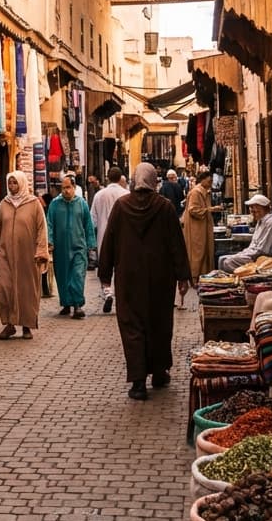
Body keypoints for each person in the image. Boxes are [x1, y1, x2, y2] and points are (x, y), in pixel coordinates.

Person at [97, 163, 191, 400]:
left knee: (133, 327)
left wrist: (105, 274)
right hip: (160, 278)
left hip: (129, 279)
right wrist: (183, 276)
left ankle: (138, 382)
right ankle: (159, 372)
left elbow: (109, 240)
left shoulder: (121, 207)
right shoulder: (165, 208)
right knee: (159, 325)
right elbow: (176, 244)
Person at [0, 171, 49, 340]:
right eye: (10, 183)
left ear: (21, 184)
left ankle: (27, 325)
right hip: (6, 254)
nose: (12, 187)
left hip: (28, 256)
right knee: (5, 289)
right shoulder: (3, 204)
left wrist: (41, 251)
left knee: (26, 290)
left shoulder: (34, 204)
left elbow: (41, 228)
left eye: (15, 183)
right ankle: (9, 324)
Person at [47, 174, 96, 318]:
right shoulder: (55, 204)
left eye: (68, 187)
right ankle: (66, 304)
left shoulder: (82, 204)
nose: (66, 191)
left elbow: (88, 225)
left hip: (78, 246)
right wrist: (49, 241)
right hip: (60, 248)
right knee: (63, 276)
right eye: (63, 188)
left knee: (77, 275)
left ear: (74, 187)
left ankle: (77, 305)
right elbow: (49, 224)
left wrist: (91, 244)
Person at [89, 166, 128, 313]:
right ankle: (121, 296)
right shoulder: (126, 194)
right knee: (121, 267)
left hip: (103, 237)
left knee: (105, 267)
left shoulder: (99, 195)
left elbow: (92, 219)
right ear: (120, 178)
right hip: (123, 237)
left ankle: (107, 293)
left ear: (107, 177)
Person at [219, 193, 272, 273]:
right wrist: (243, 253)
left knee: (228, 262)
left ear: (263, 208)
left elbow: (263, 250)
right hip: (253, 254)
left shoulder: (271, 222)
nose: (252, 211)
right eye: (251, 208)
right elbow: (253, 245)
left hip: (260, 258)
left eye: (255, 208)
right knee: (222, 259)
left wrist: (244, 255)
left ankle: (242, 276)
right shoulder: (260, 222)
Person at [182, 169, 220, 285]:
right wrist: (211, 209)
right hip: (196, 228)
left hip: (202, 226)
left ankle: (203, 277)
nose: (210, 184)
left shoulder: (204, 191)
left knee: (204, 250)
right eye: (209, 181)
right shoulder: (196, 192)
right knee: (198, 251)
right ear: (202, 180)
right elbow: (193, 210)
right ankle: (195, 277)